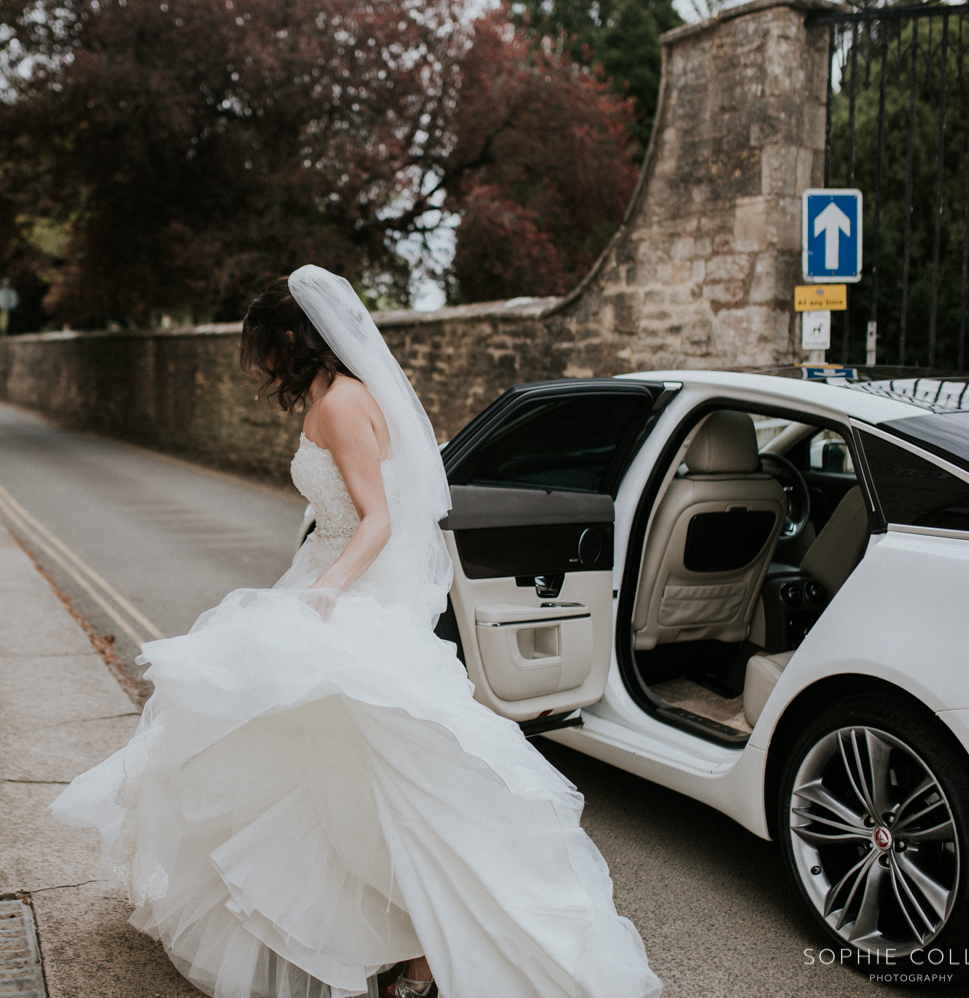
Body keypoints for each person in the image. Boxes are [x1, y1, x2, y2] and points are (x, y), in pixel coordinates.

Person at [51, 266, 661, 998]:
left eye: (264, 348)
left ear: (291, 339)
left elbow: (379, 520)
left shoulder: (342, 406)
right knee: (323, 771)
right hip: (327, 578)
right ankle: (393, 945)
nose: (260, 366)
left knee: (368, 774)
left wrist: (327, 591)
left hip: (347, 594)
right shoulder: (339, 398)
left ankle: (419, 949)